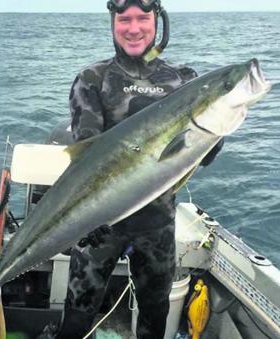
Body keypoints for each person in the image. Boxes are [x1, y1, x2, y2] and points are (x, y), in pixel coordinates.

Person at [41, 0, 223, 338]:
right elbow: (88, 159)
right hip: (98, 224)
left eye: (142, 18)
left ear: (158, 20)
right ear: (112, 23)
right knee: (78, 317)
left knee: (156, 315)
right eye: (124, 19)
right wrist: (89, 220)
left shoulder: (185, 81)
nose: (134, 28)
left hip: (156, 225)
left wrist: (215, 132)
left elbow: (206, 158)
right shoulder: (92, 80)